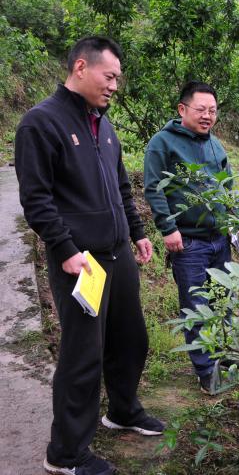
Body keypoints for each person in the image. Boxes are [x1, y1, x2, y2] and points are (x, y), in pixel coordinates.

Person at [14, 36, 164, 475]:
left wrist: (136, 233)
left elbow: (120, 187)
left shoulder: (103, 123)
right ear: (81, 67)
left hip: (117, 252)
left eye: (118, 77)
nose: (115, 85)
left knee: (131, 340)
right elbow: (36, 199)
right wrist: (65, 249)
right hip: (81, 261)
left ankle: (122, 411)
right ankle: (65, 453)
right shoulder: (41, 123)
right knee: (83, 355)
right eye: (109, 75)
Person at [144, 81, 233, 395]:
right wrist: (168, 228)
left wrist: (231, 222)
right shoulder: (163, 143)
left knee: (224, 301)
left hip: (220, 239)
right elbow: (153, 188)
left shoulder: (215, 144)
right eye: (201, 110)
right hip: (189, 242)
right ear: (182, 109)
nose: (207, 116)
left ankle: (228, 358)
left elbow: (227, 185)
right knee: (195, 307)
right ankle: (206, 371)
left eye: (212, 110)